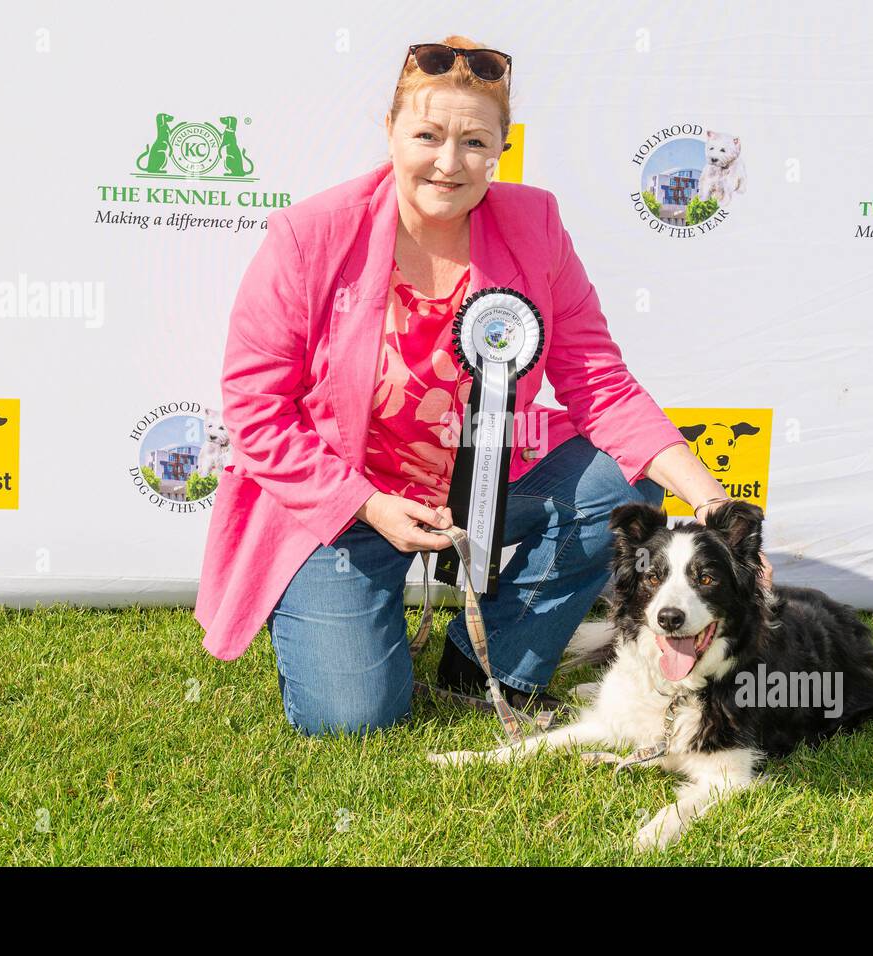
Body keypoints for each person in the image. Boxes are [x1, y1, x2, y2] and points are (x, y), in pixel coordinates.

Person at [193, 35, 773, 737]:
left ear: (500, 147)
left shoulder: (535, 224)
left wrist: (708, 498)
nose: (448, 161)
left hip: (488, 491)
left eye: (474, 141)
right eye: (428, 135)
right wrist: (368, 504)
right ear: (391, 131)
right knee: (352, 719)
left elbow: (600, 383)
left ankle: (486, 662)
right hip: (341, 506)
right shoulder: (309, 235)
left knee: (622, 484)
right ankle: (342, 620)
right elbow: (255, 412)